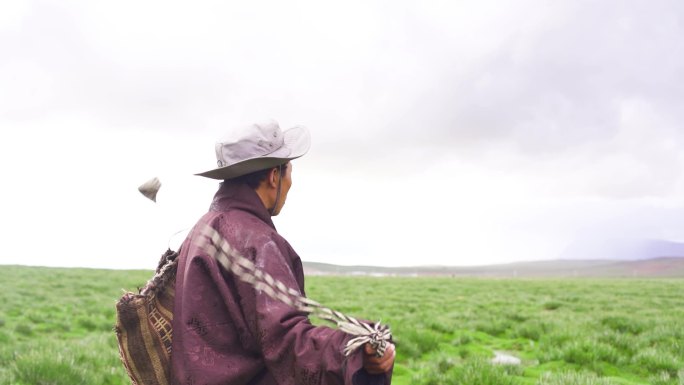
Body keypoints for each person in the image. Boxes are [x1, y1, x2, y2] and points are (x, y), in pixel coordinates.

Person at [170, 120, 395, 385]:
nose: (290, 182)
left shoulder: (204, 227)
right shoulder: (256, 241)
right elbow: (286, 340)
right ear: (274, 176)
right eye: (288, 170)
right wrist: (357, 349)